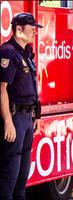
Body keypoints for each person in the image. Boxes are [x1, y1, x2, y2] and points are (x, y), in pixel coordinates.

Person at [0, 13, 42, 199]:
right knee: (10, 170)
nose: (35, 31)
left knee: (23, 171)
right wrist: (8, 122)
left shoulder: (26, 52)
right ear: (18, 29)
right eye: (31, 27)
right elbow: (1, 90)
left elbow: (33, 85)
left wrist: (37, 115)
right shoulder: (8, 52)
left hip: (27, 117)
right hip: (14, 116)